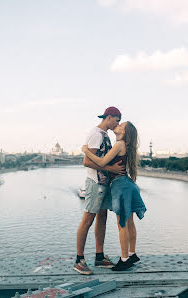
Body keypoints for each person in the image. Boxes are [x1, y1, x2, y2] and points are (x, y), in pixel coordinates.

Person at [82, 121, 146, 271]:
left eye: (120, 125)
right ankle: (132, 254)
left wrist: (86, 151)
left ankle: (124, 260)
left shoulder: (119, 144)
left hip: (120, 186)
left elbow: (102, 161)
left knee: (122, 223)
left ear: (124, 133)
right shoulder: (126, 146)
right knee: (129, 222)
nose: (117, 126)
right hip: (127, 184)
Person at [74, 106, 125, 275]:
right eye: (117, 120)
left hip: (103, 184)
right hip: (95, 183)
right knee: (88, 219)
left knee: (102, 218)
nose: (117, 124)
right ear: (109, 117)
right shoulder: (96, 134)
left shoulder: (104, 135)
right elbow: (87, 161)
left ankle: (99, 257)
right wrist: (112, 169)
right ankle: (79, 260)